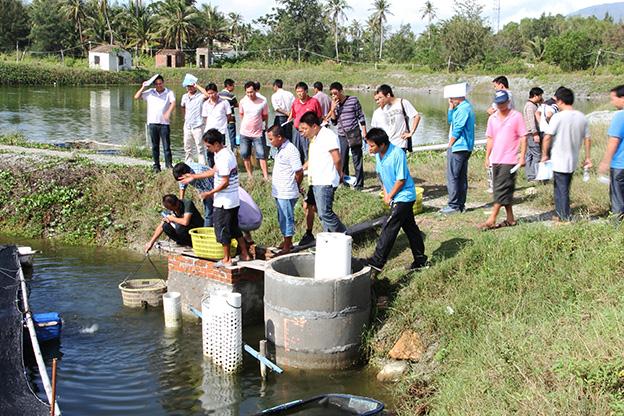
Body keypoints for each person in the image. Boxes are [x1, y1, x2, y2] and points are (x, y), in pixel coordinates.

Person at [180, 129, 250, 266]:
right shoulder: (223, 152)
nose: (208, 149)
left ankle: (227, 259)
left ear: (217, 143)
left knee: (222, 229)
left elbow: (225, 182)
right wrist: (193, 176)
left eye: (209, 146)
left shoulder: (224, 158)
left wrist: (209, 193)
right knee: (234, 228)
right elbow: (213, 171)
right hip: (232, 200)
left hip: (225, 201)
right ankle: (245, 254)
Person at [364, 128, 428, 272]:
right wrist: (386, 192)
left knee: (389, 226)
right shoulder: (378, 154)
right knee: (411, 229)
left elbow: (401, 179)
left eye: (372, 145)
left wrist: (390, 195)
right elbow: (381, 176)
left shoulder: (397, 153)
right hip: (395, 195)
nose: (369, 148)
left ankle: (377, 262)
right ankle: (420, 260)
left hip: (404, 196)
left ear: (382, 144)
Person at [541, 87, 592, 221]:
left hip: (559, 158)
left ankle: (564, 217)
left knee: (561, 189)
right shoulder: (582, 117)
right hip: (573, 159)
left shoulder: (558, 117)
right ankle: (560, 214)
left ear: (560, 100)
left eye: (557, 100)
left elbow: (547, 137)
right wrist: (587, 157)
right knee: (563, 186)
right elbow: (587, 138)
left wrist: (544, 154)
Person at [479, 90, 527, 230]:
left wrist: (522, 156)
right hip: (496, 158)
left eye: (503, 102)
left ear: (508, 101)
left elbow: (524, 137)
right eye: (498, 103)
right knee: (503, 188)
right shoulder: (492, 119)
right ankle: (510, 219)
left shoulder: (516, 116)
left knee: (501, 188)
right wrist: (487, 157)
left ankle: (491, 219)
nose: (501, 105)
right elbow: (490, 139)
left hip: (510, 159)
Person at [299, 111, 346, 233]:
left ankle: (344, 236)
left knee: (325, 213)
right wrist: (303, 167)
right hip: (316, 180)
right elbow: (315, 157)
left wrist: (339, 174)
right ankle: (330, 238)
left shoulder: (328, 136)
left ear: (314, 126)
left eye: (305, 129)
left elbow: (337, 158)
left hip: (325, 181)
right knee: (321, 213)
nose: (303, 132)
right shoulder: (315, 138)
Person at [267, 125, 304, 253]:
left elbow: (299, 172)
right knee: (282, 217)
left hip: (287, 191)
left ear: (279, 137)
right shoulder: (281, 149)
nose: (270, 142)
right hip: (280, 191)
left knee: (287, 218)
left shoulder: (290, 150)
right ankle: (286, 241)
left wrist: (296, 186)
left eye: (271, 139)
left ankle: (288, 245)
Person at [441, 90, 476, 214]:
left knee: (453, 177)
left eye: (451, 98)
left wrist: (450, 144)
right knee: (461, 176)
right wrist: (450, 108)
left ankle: (454, 205)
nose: (450, 100)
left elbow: (458, 128)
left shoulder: (463, 109)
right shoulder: (463, 107)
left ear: (458, 97)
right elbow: (451, 121)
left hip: (459, 146)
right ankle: (460, 204)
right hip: (464, 147)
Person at [328, 82, 367, 189]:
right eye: (331, 94)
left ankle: (359, 184)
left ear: (341, 91)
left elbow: (361, 116)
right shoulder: (334, 105)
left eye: (335, 93)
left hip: (354, 133)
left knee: (357, 159)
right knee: (343, 160)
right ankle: (345, 183)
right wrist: (332, 109)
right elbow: (334, 122)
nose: (334, 96)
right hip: (342, 135)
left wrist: (364, 131)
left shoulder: (353, 100)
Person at [134, 75, 176, 172]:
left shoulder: (169, 92)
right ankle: (156, 166)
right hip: (152, 123)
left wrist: (168, 112)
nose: (159, 85)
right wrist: (143, 86)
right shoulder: (150, 92)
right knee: (155, 146)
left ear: (163, 83)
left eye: (160, 83)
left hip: (164, 123)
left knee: (166, 146)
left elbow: (173, 102)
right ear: (154, 85)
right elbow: (136, 97)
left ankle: (169, 166)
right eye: (156, 84)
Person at [598, 84, 624, 217]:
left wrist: (605, 161)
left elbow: (614, 141)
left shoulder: (620, 116)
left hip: (620, 164)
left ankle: (616, 226)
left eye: (614, 98)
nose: (612, 102)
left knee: (618, 198)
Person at [371, 84, 421, 153]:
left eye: (381, 97)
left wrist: (411, 132)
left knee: (399, 163)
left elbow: (416, 116)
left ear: (388, 95)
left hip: (400, 143)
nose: (380, 100)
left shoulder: (402, 103)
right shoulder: (385, 108)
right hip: (388, 144)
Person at [239, 81, 269, 180]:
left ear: (255, 90)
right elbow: (241, 115)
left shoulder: (263, 101)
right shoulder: (243, 101)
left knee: (261, 154)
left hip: (258, 133)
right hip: (244, 133)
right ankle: (250, 176)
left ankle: (265, 176)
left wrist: (260, 124)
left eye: (251, 92)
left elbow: (265, 116)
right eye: (247, 92)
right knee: (244, 154)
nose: (249, 94)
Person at [289, 82, 323, 164]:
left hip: (309, 132)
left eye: (301, 91)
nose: (299, 94)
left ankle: (310, 169)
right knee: (297, 152)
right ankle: (299, 171)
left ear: (306, 91)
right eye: (297, 92)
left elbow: (319, 117)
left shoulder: (314, 102)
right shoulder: (295, 102)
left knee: (308, 151)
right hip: (297, 131)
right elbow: (293, 115)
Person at [172, 161, 214, 227]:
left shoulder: (199, 172)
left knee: (209, 213)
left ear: (187, 175)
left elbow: (210, 189)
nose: (182, 182)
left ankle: (207, 231)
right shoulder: (183, 171)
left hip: (216, 187)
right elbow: (182, 185)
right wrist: (181, 202)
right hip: (205, 189)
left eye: (182, 179)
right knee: (209, 212)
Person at [180, 81, 210, 165]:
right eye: (188, 86)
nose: (190, 88)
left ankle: (202, 166)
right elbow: (183, 107)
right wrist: (185, 118)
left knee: (200, 147)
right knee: (187, 147)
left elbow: (208, 95)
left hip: (198, 126)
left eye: (191, 86)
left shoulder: (200, 96)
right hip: (187, 126)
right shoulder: (184, 96)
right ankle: (189, 164)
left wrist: (197, 86)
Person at [522, 87, 544, 181]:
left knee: (529, 155)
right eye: (540, 96)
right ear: (535, 96)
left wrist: (541, 104)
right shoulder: (530, 106)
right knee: (537, 155)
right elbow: (531, 121)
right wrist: (535, 133)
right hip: (532, 134)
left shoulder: (532, 105)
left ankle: (529, 176)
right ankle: (534, 176)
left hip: (529, 134)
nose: (541, 97)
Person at [220, 79, 239, 148]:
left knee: (222, 135)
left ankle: (222, 149)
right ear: (228, 86)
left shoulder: (219, 94)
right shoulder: (231, 95)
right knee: (232, 136)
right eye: (233, 86)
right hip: (231, 118)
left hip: (222, 119)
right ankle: (233, 151)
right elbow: (237, 105)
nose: (234, 88)